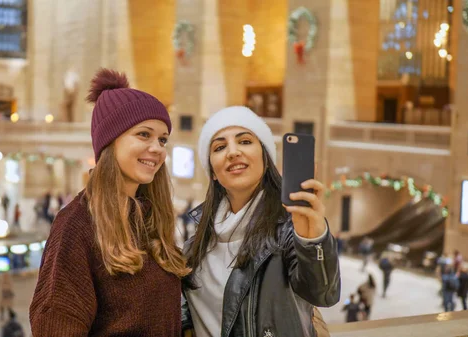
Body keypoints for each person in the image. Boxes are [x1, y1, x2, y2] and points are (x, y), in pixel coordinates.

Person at [29, 68, 189, 335]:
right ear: (110, 142)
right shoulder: (77, 224)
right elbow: (56, 324)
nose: (158, 148)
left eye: (162, 139)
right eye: (144, 134)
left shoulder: (149, 218)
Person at [181, 106, 340, 336]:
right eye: (220, 147)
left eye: (245, 141)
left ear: (265, 158)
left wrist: (313, 239)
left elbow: (323, 294)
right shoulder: (196, 245)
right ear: (213, 172)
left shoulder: (287, 232)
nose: (233, 152)